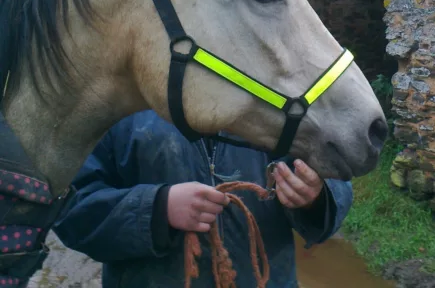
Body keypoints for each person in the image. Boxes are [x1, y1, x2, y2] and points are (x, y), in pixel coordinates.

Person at [52, 110, 353, 288]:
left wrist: (316, 194)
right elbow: (70, 207)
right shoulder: (115, 100)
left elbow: (330, 169)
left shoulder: (273, 82)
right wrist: (158, 208)